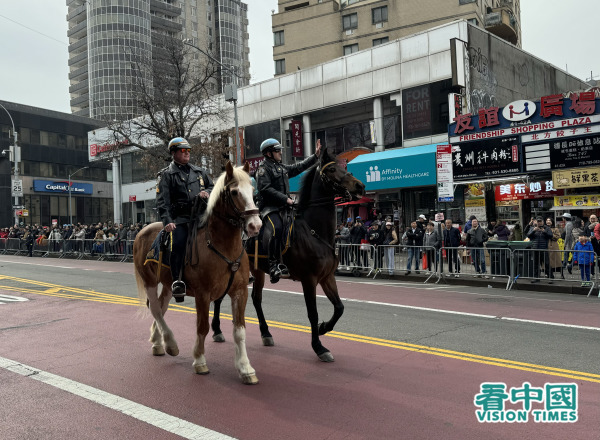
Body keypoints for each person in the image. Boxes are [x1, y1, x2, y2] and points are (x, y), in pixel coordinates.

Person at [156, 137, 214, 301]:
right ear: (173, 153)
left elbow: (212, 186)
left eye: (188, 151)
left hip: (201, 217)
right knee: (179, 243)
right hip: (180, 219)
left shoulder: (199, 171)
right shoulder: (167, 175)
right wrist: (168, 222)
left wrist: (206, 192)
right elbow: (162, 202)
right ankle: (177, 281)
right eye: (183, 151)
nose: (187, 154)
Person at [256, 137, 321, 283]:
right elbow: (265, 189)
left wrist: (315, 156)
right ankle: (273, 265)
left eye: (279, 150)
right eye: (277, 150)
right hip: (269, 208)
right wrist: (285, 199)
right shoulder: (262, 169)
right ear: (268, 153)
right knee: (277, 228)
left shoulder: (280, 167)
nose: (280, 152)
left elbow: (299, 167)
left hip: (285, 208)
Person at [527, 216, 553, 283]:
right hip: (535, 248)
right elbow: (528, 235)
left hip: (544, 248)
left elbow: (551, 236)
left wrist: (544, 231)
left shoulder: (546, 228)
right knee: (536, 264)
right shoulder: (533, 228)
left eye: (540, 221)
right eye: (538, 221)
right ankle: (536, 278)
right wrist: (533, 231)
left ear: (543, 221)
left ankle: (550, 278)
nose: (539, 223)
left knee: (547, 264)